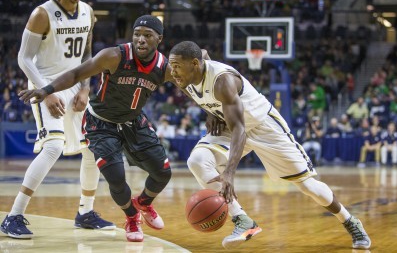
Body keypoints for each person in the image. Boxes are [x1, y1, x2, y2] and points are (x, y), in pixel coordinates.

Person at [167, 41, 371, 250]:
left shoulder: (223, 81)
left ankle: (349, 221)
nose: (173, 72)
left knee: (308, 186)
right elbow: (204, 54)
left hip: (262, 125)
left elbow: (241, 130)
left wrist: (229, 172)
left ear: (194, 64)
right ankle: (242, 219)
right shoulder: (184, 71)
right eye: (171, 66)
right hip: (230, 125)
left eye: (177, 67)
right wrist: (211, 112)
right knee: (197, 161)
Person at [18, 15, 180, 243]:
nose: (140, 40)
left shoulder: (165, 68)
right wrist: (47, 89)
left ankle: (142, 203)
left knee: (163, 173)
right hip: (101, 123)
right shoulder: (114, 56)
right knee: (116, 178)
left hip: (134, 122)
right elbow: (76, 74)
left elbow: (194, 79)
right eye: (137, 34)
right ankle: (132, 217)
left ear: (159, 39)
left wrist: (214, 110)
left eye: (147, 35)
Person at [0, 0, 116, 239]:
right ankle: (13, 215)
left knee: (93, 148)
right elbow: (23, 59)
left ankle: (85, 212)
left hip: (75, 87)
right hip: (45, 85)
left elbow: (88, 57)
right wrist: (47, 91)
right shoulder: (42, 14)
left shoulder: (88, 12)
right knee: (53, 148)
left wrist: (86, 88)